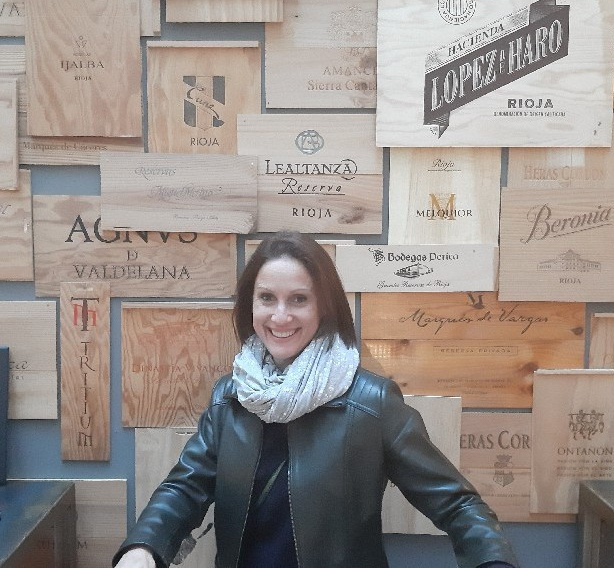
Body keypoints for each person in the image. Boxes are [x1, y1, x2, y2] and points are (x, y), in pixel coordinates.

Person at [113, 232, 519, 568]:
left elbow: (456, 504)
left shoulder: (372, 403)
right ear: (250, 305)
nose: (280, 316)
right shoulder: (230, 398)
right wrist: (143, 547)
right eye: (267, 298)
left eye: (299, 299)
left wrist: (492, 561)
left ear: (324, 306)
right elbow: (185, 488)